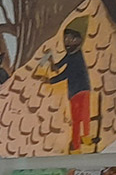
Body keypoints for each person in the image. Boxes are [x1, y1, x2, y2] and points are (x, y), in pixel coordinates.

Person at [34, 16, 97, 152]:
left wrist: (50, 81)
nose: (67, 42)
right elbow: (57, 68)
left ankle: (79, 144)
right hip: (77, 90)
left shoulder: (76, 56)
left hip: (80, 89)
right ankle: (83, 140)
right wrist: (50, 59)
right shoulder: (71, 55)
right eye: (66, 39)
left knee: (80, 118)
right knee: (81, 117)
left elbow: (65, 74)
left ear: (78, 40)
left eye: (70, 39)